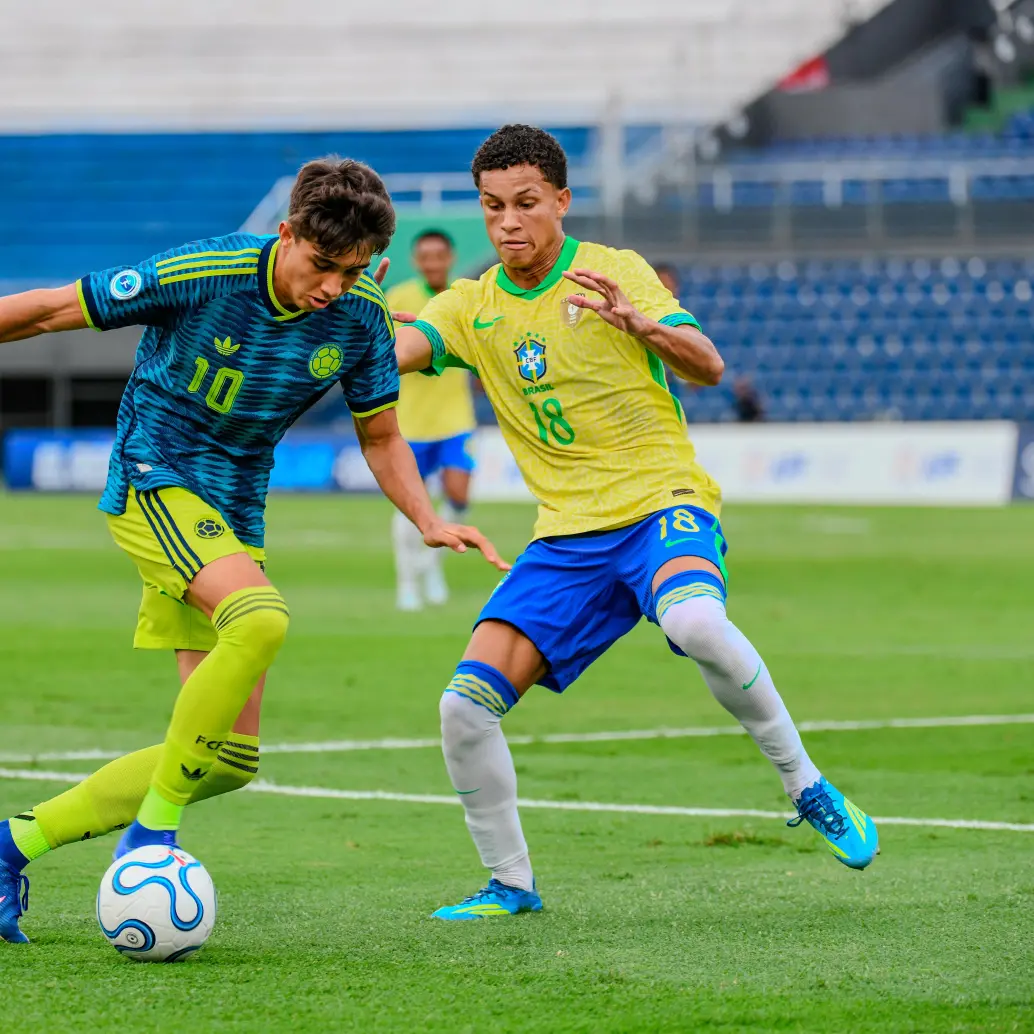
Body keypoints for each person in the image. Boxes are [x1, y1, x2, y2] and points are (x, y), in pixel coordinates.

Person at [0, 158, 506, 944]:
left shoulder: (361, 316)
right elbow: (46, 311)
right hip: (154, 476)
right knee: (261, 619)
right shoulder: (206, 272)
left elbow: (380, 435)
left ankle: (10, 847)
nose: (334, 286)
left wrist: (427, 520)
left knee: (228, 756)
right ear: (286, 233)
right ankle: (151, 836)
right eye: (321, 264)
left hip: (234, 508)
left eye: (354, 270)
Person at [394, 125, 878, 920]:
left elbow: (708, 363)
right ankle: (511, 884)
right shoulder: (471, 306)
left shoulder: (612, 270)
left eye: (524, 204)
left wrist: (642, 326)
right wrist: (350, 321)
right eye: (492, 207)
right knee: (461, 708)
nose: (507, 222)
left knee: (695, 622)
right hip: (565, 538)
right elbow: (395, 352)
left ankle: (808, 786)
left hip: (660, 504)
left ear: (560, 200)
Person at [385, 230, 477, 610]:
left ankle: (431, 565)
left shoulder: (465, 296)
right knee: (411, 505)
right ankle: (406, 583)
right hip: (411, 423)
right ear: (416, 260)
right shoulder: (400, 297)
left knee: (458, 495)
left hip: (455, 417)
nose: (433, 262)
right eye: (426, 256)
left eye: (439, 255)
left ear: (451, 257)